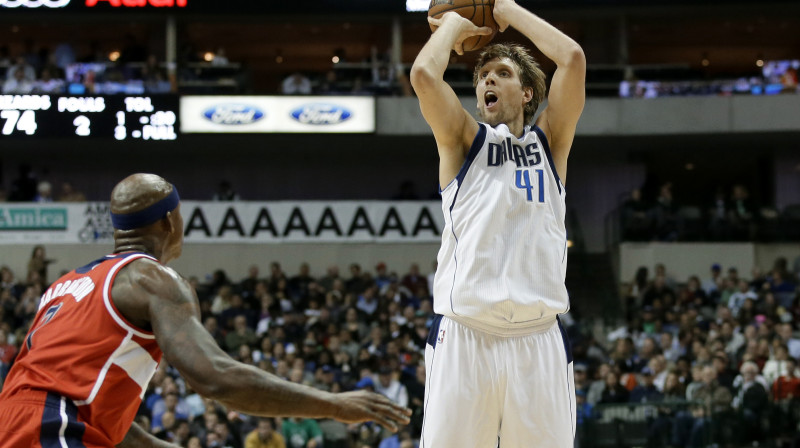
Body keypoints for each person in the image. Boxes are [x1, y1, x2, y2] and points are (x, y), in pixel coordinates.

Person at [0, 174, 410, 447]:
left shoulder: (63, 286)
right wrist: (334, 404)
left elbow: (100, 420)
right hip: (51, 428)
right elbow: (215, 377)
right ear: (169, 222)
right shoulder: (154, 280)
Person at [410, 0, 585, 445]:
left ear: (528, 93)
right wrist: (452, 22)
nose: (488, 79)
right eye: (483, 76)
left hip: (539, 339)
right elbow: (424, 76)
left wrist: (505, 9)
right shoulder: (462, 139)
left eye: (502, 73)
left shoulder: (551, 142)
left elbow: (573, 58)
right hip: (466, 335)